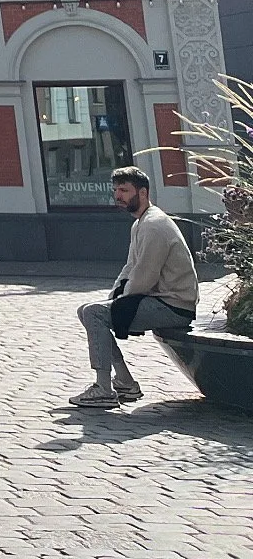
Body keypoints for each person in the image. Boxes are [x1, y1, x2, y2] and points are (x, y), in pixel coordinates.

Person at [72, 165, 198, 408]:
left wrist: (118, 305)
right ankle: (124, 382)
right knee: (89, 310)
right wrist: (113, 298)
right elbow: (130, 268)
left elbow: (145, 275)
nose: (118, 196)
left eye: (124, 190)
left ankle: (104, 389)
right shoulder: (140, 223)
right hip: (157, 299)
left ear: (142, 193)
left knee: (93, 313)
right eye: (116, 190)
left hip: (173, 306)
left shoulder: (154, 225)